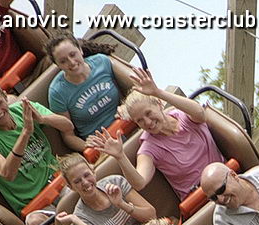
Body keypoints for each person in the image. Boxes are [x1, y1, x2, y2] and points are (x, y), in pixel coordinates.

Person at [86, 68, 223, 202]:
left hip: (225, 174)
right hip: (201, 197)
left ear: (158, 104)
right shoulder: (149, 148)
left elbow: (200, 113)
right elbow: (140, 182)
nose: (147, 122)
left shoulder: (182, 115)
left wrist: (158, 92)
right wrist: (120, 156)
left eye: (148, 113)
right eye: (140, 120)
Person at [0, 80, 70, 219]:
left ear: (5, 96)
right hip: (33, 203)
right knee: (35, 223)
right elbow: (7, 173)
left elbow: (68, 126)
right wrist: (26, 133)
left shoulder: (22, 109)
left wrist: (43, 119)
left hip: (59, 180)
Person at [55, 153, 154, 225]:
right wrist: (75, 220)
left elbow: (151, 215)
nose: (85, 182)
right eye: (77, 181)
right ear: (71, 187)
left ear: (93, 172)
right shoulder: (80, 218)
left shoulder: (115, 182)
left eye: (87, 175)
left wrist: (122, 204)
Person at [45, 34, 127, 146]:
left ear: (80, 50)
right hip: (101, 143)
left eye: (73, 55)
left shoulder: (101, 62)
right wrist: (86, 146)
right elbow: (68, 135)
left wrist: (126, 105)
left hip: (126, 122)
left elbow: (135, 88)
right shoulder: (57, 92)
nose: (72, 62)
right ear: (58, 65)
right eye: (63, 61)